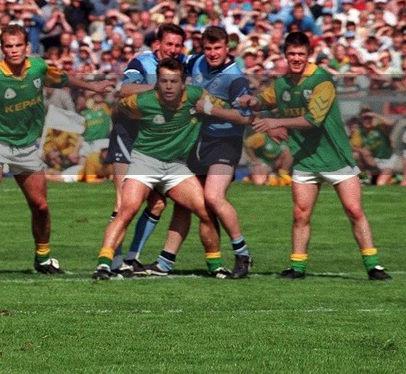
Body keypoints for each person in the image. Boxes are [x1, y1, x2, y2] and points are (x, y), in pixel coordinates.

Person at [0, 24, 111, 277]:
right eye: (9, 46)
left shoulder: (38, 67)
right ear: (2, 49)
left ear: (27, 47)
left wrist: (95, 87)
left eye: (18, 45)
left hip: (27, 147)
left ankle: (43, 258)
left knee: (41, 207)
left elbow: (62, 78)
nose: (14, 51)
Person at [239, 32, 391, 281]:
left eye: (300, 54)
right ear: (285, 55)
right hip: (305, 159)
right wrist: (250, 100)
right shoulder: (282, 83)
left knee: (354, 211)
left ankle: (373, 265)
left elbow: (313, 120)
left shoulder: (322, 80)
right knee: (300, 213)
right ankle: (297, 267)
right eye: (291, 54)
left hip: (336, 157)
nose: (296, 58)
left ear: (308, 55)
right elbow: (264, 100)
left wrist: (276, 121)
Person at [92, 58, 250, 280]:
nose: (168, 86)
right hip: (145, 161)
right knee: (128, 209)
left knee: (205, 210)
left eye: (173, 81)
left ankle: (215, 266)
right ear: (157, 82)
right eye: (164, 81)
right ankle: (104, 264)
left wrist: (246, 106)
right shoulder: (142, 101)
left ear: (183, 83)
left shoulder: (197, 96)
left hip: (176, 166)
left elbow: (229, 111)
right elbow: (119, 111)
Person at [140, 26, 255, 278]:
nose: (212, 53)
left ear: (227, 49)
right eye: (208, 48)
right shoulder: (197, 62)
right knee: (184, 204)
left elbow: (244, 117)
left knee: (213, 197)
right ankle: (164, 263)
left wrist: (209, 109)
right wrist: (143, 60)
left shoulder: (236, 78)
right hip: (198, 141)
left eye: (217, 48)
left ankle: (243, 253)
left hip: (225, 142)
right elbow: (168, 57)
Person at [104, 24, 186, 274]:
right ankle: (112, 263)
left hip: (153, 142)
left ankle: (131, 258)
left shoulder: (183, 65)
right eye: (168, 44)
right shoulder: (142, 63)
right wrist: (161, 88)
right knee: (124, 203)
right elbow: (125, 90)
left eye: (177, 45)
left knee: (158, 204)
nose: (173, 49)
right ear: (157, 44)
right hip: (127, 135)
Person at [351, 108, 401, 186]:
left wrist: (375, 115)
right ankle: (366, 177)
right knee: (355, 155)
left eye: (369, 118)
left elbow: (391, 123)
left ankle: (394, 178)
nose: (367, 121)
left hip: (387, 161)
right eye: (365, 118)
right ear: (361, 119)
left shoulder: (379, 127)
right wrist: (361, 150)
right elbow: (351, 146)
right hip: (373, 162)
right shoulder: (359, 131)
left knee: (381, 183)